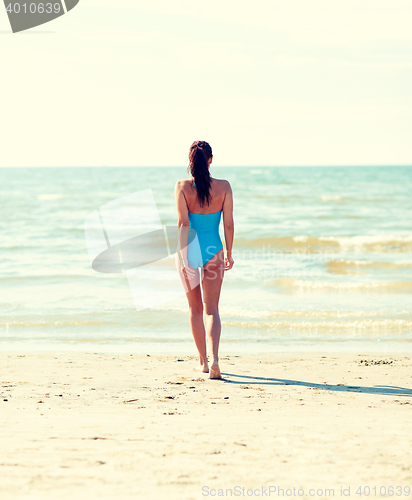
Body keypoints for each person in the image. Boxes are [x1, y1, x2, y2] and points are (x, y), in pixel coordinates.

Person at [174, 140, 234, 379]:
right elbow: (228, 223)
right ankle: (216, 360)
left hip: (190, 250)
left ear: (190, 161)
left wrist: (182, 257)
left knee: (194, 309)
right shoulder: (224, 187)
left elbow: (183, 224)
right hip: (214, 250)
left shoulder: (181, 186)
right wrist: (229, 252)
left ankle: (203, 363)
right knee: (212, 310)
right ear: (211, 160)